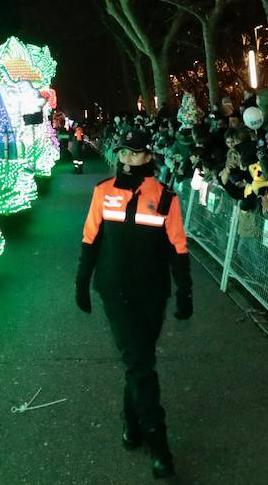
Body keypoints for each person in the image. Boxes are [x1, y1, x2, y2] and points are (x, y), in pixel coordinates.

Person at [75, 128, 192, 479]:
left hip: (152, 294)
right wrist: (82, 283)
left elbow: (178, 249)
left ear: (148, 157)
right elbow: (90, 240)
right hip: (115, 292)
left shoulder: (166, 197)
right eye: (123, 152)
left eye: (135, 153)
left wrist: (184, 291)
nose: (128, 159)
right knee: (141, 365)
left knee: (139, 361)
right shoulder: (102, 192)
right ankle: (160, 447)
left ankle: (131, 421)